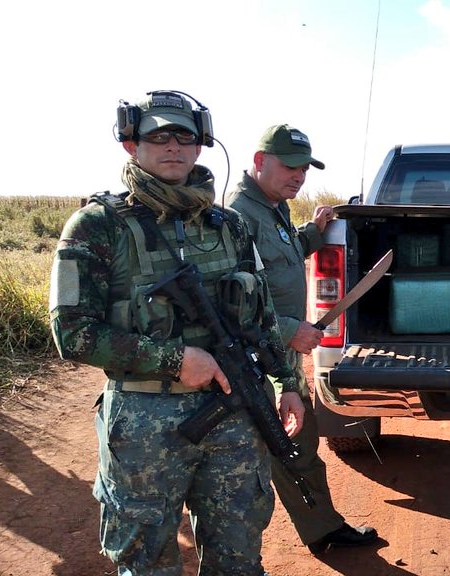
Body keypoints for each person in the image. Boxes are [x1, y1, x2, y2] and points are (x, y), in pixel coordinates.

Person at [49, 91, 306, 575]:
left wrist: (289, 384)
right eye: (158, 136)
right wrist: (172, 359)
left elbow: (263, 319)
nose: (173, 147)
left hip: (235, 415)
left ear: (202, 143)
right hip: (144, 422)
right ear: (131, 143)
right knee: (147, 563)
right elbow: (72, 332)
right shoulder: (97, 226)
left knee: (238, 557)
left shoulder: (229, 226)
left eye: (184, 136)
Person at [225, 124, 379, 555]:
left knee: (299, 444)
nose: (298, 176)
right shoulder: (237, 216)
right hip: (254, 362)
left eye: (304, 169)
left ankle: (323, 529)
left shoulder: (270, 208)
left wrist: (311, 233)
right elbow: (228, 299)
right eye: (289, 166)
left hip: (280, 359)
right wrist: (291, 330)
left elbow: (277, 258)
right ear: (259, 162)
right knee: (261, 459)